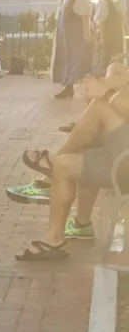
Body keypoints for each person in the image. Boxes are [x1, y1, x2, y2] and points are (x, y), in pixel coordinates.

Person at [14, 62, 129, 260]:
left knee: (100, 106)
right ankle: (53, 240)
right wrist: (108, 82)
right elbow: (121, 71)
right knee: (63, 165)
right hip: (120, 154)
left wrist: (106, 91)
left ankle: (52, 172)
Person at [52, 0, 94, 99]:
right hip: (68, 38)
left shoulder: (80, 0)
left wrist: (87, 35)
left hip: (77, 38)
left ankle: (88, 90)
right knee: (69, 62)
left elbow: (85, 19)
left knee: (78, 63)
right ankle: (69, 87)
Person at [95, 0, 127, 71]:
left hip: (121, 33)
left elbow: (124, 15)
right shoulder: (104, 1)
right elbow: (101, 21)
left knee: (121, 57)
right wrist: (103, 38)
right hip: (109, 35)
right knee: (108, 59)